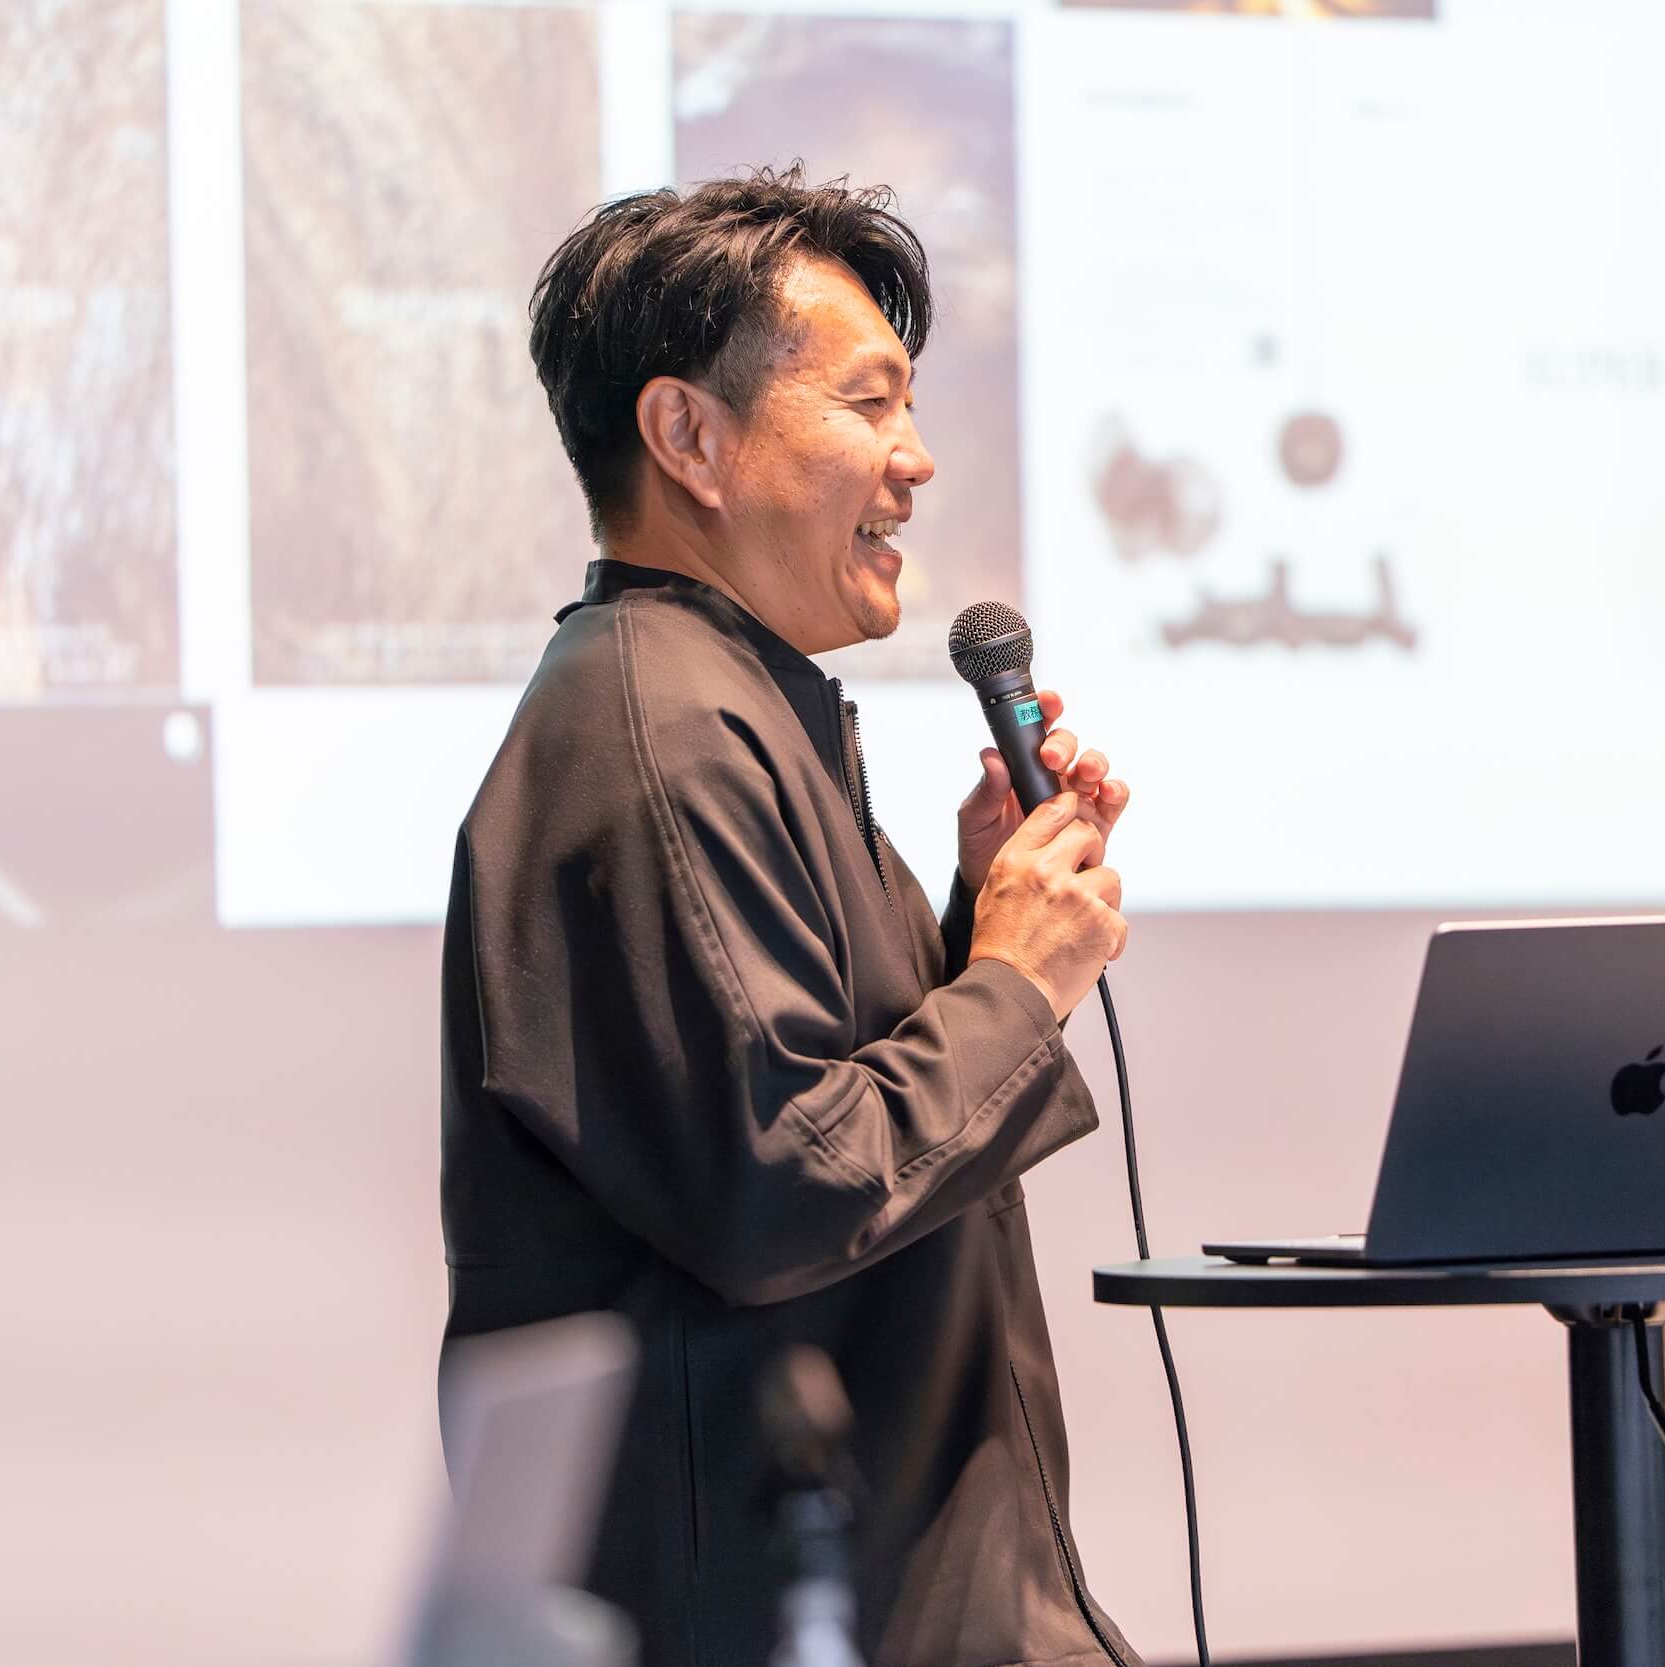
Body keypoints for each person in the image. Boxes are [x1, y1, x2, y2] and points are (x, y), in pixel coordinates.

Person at [438, 166, 1143, 1667]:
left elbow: (814, 1096)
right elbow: (786, 1183)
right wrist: (1017, 984)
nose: (916, 460)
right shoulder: (660, 730)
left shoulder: (724, 704)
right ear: (689, 436)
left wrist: (978, 914)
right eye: (869, 403)